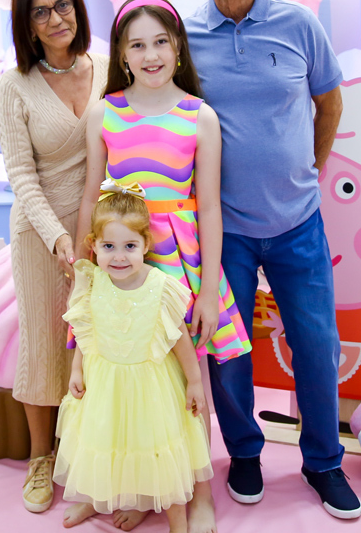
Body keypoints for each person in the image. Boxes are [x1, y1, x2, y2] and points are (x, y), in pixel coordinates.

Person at [185, 0, 357, 519]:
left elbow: (329, 104)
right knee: (228, 350)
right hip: (222, 229)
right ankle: (245, 454)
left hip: (297, 222)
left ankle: (324, 462)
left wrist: (308, 168)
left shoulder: (299, 24)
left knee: (317, 346)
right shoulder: (182, 35)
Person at [75, 0, 252, 533]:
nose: (150, 55)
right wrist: (84, 272)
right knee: (127, 372)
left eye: (159, 42)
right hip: (120, 257)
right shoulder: (104, 112)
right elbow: (90, 196)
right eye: (137, 45)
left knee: (184, 378)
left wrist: (208, 291)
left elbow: (209, 207)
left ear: (177, 47)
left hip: (181, 261)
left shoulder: (201, 116)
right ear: (121, 54)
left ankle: (197, 491)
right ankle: (140, 488)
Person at [0, 0, 109, 514]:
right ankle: (41, 457)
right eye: (40, 11)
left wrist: (100, 234)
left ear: (77, 6)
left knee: (97, 345)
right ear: (27, 24)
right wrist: (59, 239)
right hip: (41, 233)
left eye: (62, 4)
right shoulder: (14, 85)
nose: (55, 18)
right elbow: (20, 175)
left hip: (103, 233)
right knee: (44, 343)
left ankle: (86, 454)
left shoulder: (109, 64)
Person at [54, 183, 211, 533]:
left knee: (155, 452)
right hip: (104, 384)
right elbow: (85, 331)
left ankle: (177, 521)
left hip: (149, 388)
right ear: (93, 245)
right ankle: (96, 498)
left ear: (145, 245)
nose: (119, 257)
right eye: (108, 247)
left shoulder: (160, 286)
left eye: (129, 246)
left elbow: (180, 340)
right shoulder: (91, 282)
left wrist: (195, 381)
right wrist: (77, 369)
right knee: (102, 442)